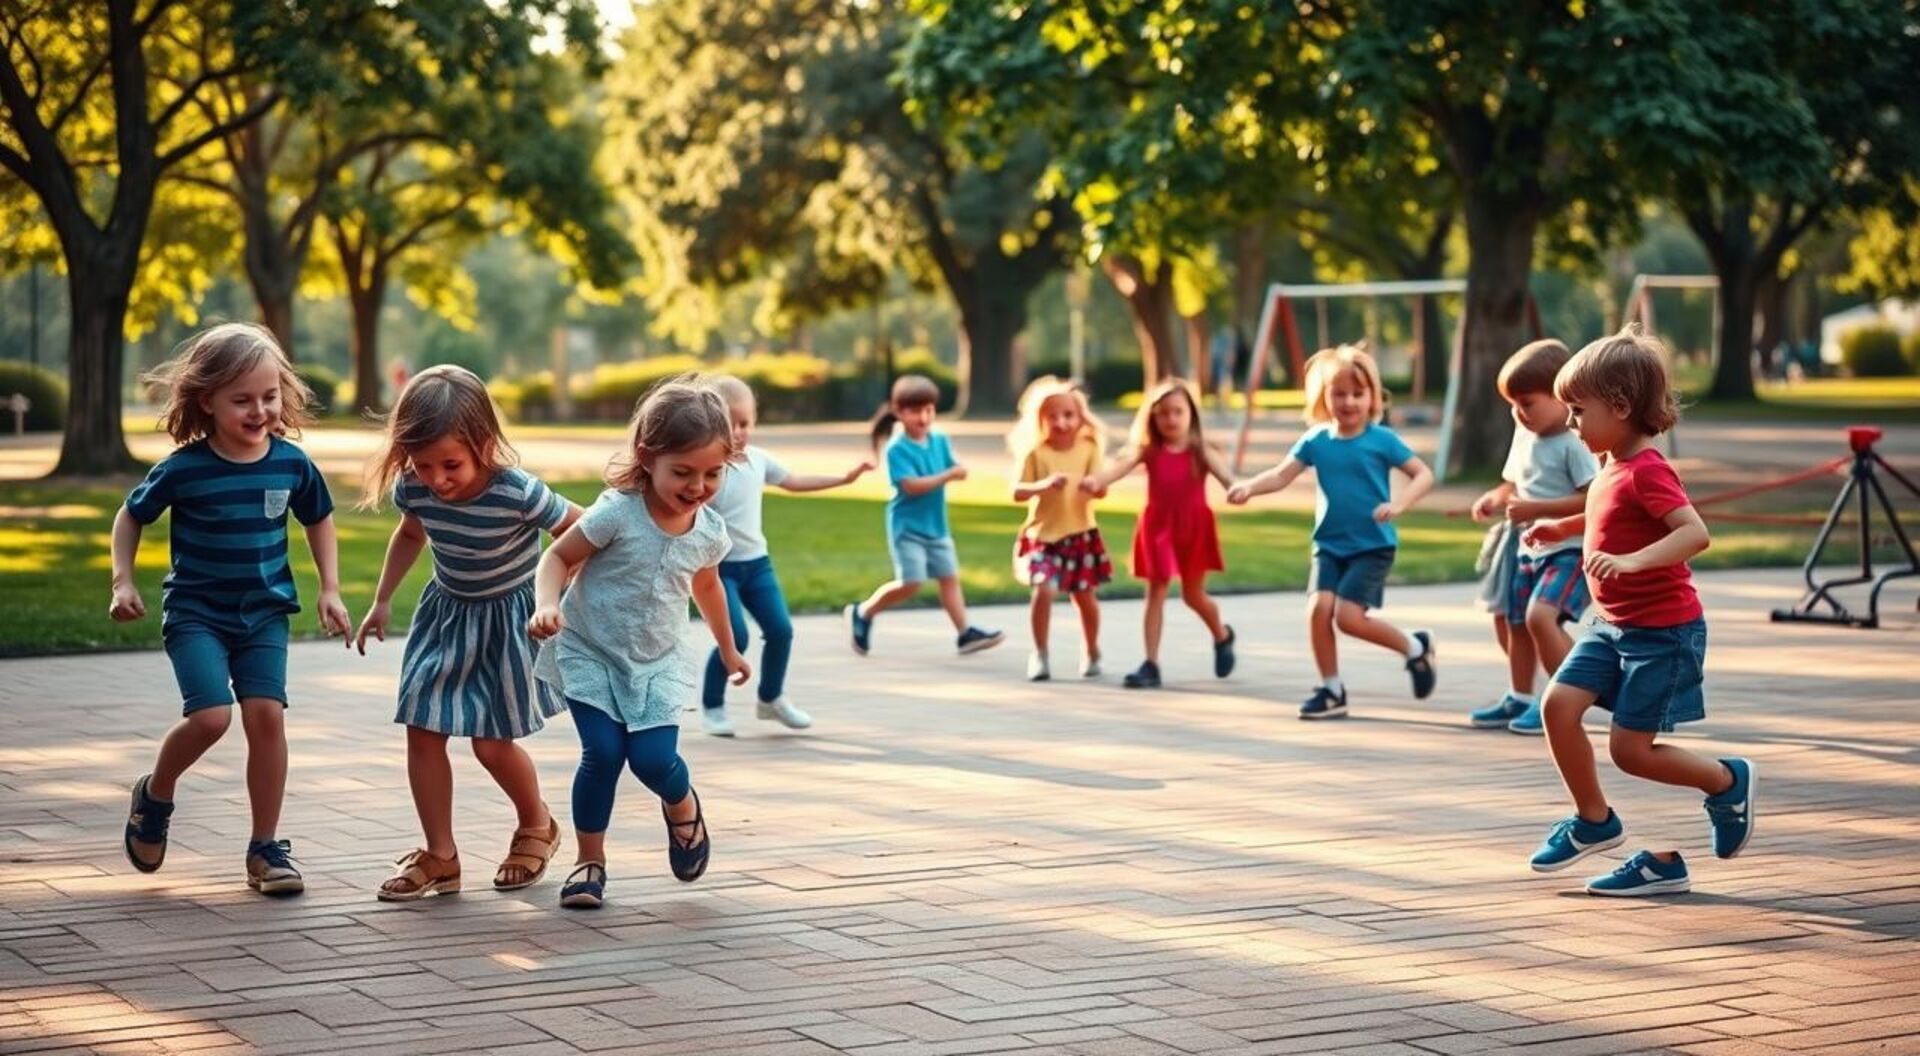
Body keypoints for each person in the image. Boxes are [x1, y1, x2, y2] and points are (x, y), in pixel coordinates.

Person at [110, 322, 351, 896]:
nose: (259, 410)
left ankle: (265, 848)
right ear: (207, 401)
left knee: (266, 715)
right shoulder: (184, 469)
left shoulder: (291, 464)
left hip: (264, 613)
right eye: (242, 400)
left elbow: (319, 519)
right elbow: (131, 515)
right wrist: (123, 581)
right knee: (213, 716)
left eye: (269, 397)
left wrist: (331, 588)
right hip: (196, 612)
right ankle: (156, 795)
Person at [1522, 326, 1754, 897]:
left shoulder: (1650, 469)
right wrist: (1564, 526)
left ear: (1621, 407)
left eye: (1578, 410)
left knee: (1631, 752)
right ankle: (1594, 820)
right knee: (1557, 706)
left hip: (1662, 633)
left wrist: (1630, 564)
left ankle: (1727, 782)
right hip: (1611, 627)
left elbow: (1694, 534)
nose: (1571, 422)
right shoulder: (1610, 463)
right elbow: (1607, 511)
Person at [353, 365, 583, 901]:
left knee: (491, 743)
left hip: (509, 621)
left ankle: (536, 825)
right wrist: (382, 600)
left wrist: (557, 594)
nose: (437, 479)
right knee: (422, 726)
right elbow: (411, 533)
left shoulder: (517, 491)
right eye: (423, 464)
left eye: (450, 464)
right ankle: (441, 855)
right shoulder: (415, 486)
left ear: (482, 443)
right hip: (448, 616)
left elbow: (582, 527)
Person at [528, 377, 749, 908]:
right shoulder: (618, 513)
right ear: (647, 458)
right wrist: (546, 603)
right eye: (684, 472)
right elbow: (556, 556)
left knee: (652, 759)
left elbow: (707, 585)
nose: (698, 486)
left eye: (713, 473)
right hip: (590, 648)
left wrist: (729, 645)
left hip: (658, 659)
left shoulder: (710, 531)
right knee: (602, 753)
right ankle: (589, 863)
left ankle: (681, 806)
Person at [1227, 344, 1435, 719]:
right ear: (1323, 397)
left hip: (1372, 545)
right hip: (1329, 545)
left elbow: (1423, 474)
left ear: (1373, 395)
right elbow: (1280, 474)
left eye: (1358, 393)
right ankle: (1331, 689)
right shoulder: (1316, 441)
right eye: (1339, 393)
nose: (1349, 401)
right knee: (1318, 609)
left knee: (1348, 618)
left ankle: (1415, 648)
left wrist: (1400, 505)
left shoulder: (1382, 440)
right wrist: (1249, 487)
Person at [700, 375, 872, 737]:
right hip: (718, 569)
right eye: (729, 424)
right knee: (735, 638)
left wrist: (845, 479)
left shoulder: (759, 460)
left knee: (781, 630)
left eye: (745, 423)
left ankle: (770, 699)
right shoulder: (708, 467)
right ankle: (713, 705)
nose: (738, 432)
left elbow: (795, 482)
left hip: (757, 565)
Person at [1467, 340, 1598, 734]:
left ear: (1562, 396)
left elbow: (1592, 497)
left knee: (1541, 617)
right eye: (1512, 405)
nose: (1518, 413)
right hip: (1528, 547)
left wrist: (1536, 510)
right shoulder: (1526, 435)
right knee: (1513, 621)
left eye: (1527, 402)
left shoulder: (1575, 444)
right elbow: (1513, 482)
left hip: (1569, 550)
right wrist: (1494, 498)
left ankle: (1565, 697)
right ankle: (1520, 695)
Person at [1082, 378, 1235, 689]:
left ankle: (1222, 634)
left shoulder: (1200, 449)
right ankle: (1151, 663)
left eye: (1178, 412)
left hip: (1193, 528)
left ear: (1190, 413)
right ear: (1153, 417)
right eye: (1163, 413)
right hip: (1159, 528)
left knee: (1194, 596)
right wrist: (1097, 481)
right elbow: (1119, 467)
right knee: (1156, 591)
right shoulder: (1149, 450)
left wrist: (1238, 489)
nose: (1171, 419)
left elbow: (1225, 476)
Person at [844, 374, 1003, 657]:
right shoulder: (897, 449)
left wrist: (959, 469)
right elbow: (911, 486)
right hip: (907, 529)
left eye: (929, 409)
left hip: (936, 527)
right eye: (916, 410)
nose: (924, 417)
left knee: (949, 577)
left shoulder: (939, 439)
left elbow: (954, 464)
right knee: (911, 583)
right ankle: (864, 611)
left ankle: (964, 633)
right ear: (899, 413)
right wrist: (948, 475)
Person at [1008, 376, 1112, 681]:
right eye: (1052, 416)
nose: (1061, 422)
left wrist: (1096, 486)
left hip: (1081, 534)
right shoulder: (1036, 453)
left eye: (1068, 415)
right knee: (1044, 589)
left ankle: (1092, 650)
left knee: (1085, 598)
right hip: (1043, 536)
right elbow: (1017, 491)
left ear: (1081, 418)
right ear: (1039, 420)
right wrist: (1042, 486)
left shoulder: (1089, 448)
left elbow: (1100, 485)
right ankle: (1039, 653)